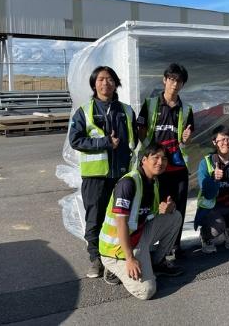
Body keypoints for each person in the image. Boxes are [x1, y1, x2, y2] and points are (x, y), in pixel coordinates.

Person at [68, 65, 137, 279]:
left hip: (121, 176)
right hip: (95, 177)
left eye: (109, 79)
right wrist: (105, 142)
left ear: (116, 83)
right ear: (93, 84)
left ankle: (114, 255)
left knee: (118, 217)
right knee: (95, 218)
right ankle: (95, 259)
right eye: (100, 79)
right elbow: (75, 140)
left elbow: (136, 139)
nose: (105, 83)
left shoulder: (126, 111)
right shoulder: (85, 111)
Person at [96, 141, 184, 299]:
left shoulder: (154, 182)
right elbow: (121, 222)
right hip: (117, 248)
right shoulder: (128, 183)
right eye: (155, 157)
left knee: (175, 216)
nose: (160, 162)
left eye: (164, 159)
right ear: (144, 160)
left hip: (139, 237)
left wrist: (169, 208)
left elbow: (152, 213)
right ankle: (112, 267)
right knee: (146, 291)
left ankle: (157, 263)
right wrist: (130, 259)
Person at [134, 63, 194, 259]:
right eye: (172, 79)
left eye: (179, 81)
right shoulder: (150, 104)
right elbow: (141, 133)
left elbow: (187, 139)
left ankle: (173, 247)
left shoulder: (186, 109)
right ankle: (145, 246)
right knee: (153, 207)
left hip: (177, 168)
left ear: (183, 84)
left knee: (178, 209)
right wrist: (152, 158)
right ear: (165, 80)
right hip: (155, 169)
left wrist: (185, 139)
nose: (175, 84)